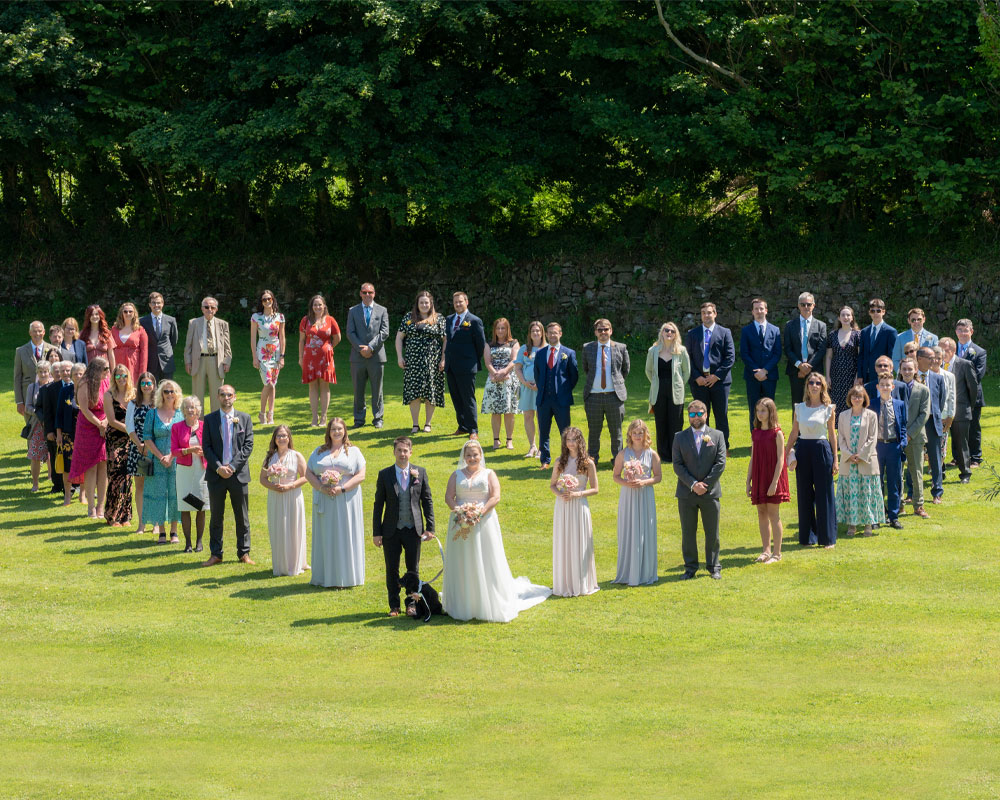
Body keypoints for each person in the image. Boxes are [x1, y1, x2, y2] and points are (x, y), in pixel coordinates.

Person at [442, 439, 551, 622]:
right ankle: (464, 600)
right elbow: (448, 496)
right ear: (464, 457)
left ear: (480, 456)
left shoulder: (489, 474)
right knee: (462, 559)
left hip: (484, 522)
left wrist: (479, 513)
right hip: (459, 523)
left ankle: (488, 599)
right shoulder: (456, 475)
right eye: (468, 455)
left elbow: (495, 496)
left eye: (475, 455)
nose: (471, 458)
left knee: (486, 557)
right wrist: (459, 511)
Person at [372, 436, 436, 615]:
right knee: (391, 568)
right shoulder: (385, 474)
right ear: (394, 452)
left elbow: (427, 501)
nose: (402, 454)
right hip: (391, 530)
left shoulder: (420, 472)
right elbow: (378, 505)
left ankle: (411, 603)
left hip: (413, 529)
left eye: (405, 450)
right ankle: (394, 605)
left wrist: (430, 527)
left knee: (412, 570)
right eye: (399, 450)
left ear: (411, 452)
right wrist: (377, 532)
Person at [306, 417, 366, 587]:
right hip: (325, 498)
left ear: (345, 431)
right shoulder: (319, 451)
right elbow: (308, 472)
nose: (337, 432)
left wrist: (343, 488)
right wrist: (320, 487)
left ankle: (346, 577)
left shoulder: (353, 451)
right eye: (333, 429)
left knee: (345, 533)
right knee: (327, 534)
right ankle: (325, 576)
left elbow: (361, 475)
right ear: (329, 432)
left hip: (346, 500)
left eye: (340, 428)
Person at [673, 399, 728, 579]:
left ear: (706, 414)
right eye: (692, 414)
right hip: (686, 493)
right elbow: (677, 465)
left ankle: (714, 567)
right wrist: (693, 484)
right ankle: (690, 568)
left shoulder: (717, 435)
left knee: (712, 532)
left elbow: (720, 463)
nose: (695, 417)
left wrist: (705, 484)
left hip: (710, 493)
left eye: (699, 413)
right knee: (688, 532)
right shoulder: (679, 437)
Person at [201, 385, 255, 565]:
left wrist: (231, 467)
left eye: (229, 395)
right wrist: (218, 467)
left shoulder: (245, 419)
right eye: (222, 394)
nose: (226, 398)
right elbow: (206, 447)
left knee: (242, 516)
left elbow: (248, 446)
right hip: (216, 475)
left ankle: (244, 553)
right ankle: (216, 554)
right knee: (216, 516)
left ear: (235, 397)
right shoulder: (209, 420)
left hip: (238, 475)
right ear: (217, 397)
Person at [784, 373, 838, 548]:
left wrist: (836, 459)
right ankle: (807, 537)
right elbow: (794, 432)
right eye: (811, 382)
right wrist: (785, 452)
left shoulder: (829, 408)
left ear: (822, 387)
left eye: (818, 383)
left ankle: (827, 538)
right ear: (807, 386)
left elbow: (832, 434)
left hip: (822, 450)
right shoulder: (799, 408)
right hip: (803, 451)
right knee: (804, 494)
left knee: (824, 494)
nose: (814, 386)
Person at [549, 426, 599, 597]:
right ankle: (565, 582)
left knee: (580, 541)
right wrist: (560, 494)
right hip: (563, 507)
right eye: (568, 440)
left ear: (580, 441)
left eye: (574, 440)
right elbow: (552, 485)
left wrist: (577, 493)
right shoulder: (559, 462)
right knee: (564, 541)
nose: (571, 443)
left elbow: (595, 489)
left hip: (579, 506)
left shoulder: (588, 463)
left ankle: (581, 582)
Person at [612, 419, 661, 585]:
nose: (638, 436)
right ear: (630, 435)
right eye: (635, 433)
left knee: (645, 529)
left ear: (645, 434)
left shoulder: (652, 454)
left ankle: (645, 572)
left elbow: (658, 476)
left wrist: (644, 482)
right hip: (629, 496)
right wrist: (627, 483)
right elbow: (615, 475)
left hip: (645, 495)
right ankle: (628, 572)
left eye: (641, 433)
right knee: (629, 528)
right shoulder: (623, 454)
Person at [395, 290, 446, 433]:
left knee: (431, 392)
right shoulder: (408, 317)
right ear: (417, 304)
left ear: (431, 304)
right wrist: (400, 356)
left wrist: (443, 358)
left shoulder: (439, 318)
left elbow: (445, 340)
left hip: (433, 362)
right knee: (414, 393)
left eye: (426, 302)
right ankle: (415, 424)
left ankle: (428, 423)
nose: (424, 305)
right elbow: (399, 338)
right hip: (413, 361)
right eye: (421, 302)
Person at [836, 386, 884, 537]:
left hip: (866, 460)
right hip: (848, 461)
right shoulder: (843, 415)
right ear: (850, 398)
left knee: (867, 493)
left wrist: (861, 455)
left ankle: (868, 523)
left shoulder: (871, 415)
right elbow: (841, 438)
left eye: (860, 396)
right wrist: (849, 455)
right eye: (854, 396)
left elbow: (872, 437)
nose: (857, 399)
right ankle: (852, 524)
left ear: (865, 399)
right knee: (851, 493)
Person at [746, 397, 790, 563]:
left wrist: (774, 483)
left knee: (773, 514)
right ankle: (765, 550)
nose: (760, 414)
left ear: (771, 412)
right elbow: (753, 457)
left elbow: (781, 460)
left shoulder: (777, 433)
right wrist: (748, 480)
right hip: (759, 476)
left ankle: (777, 554)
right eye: (758, 410)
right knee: (761, 512)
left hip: (773, 478)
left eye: (763, 410)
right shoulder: (755, 432)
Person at [685, 302, 735, 450]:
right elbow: (687, 359)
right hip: (699, 382)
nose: (707, 315)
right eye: (704, 313)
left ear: (715, 314)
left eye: (709, 312)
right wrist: (696, 377)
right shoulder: (692, 334)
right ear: (701, 316)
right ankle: (704, 446)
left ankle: (722, 447)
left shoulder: (725, 332)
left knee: (721, 416)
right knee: (700, 416)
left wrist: (716, 376)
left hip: (720, 382)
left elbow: (730, 357)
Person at [260, 425, 308, 576]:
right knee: (278, 528)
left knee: (294, 528)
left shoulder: (296, 456)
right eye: (279, 436)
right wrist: (273, 487)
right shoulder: (269, 457)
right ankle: (281, 564)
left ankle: (296, 563)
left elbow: (306, 476)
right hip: (276, 497)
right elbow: (262, 479)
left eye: (284, 436)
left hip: (293, 496)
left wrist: (291, 486)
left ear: (289, 438)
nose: (281, 438)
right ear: (274, 439)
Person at [582, 318, 629, 466]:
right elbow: (586, 368)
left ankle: (617, 459)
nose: (603, 332)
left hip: (614, 396)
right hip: (593, 396)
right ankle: (593, 459)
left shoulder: (621, 347)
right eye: (600, 330)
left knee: (616, 432)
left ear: (611, 331)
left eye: (606, 329)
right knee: (594, 431)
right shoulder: (587, 348)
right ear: (595, 332)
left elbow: (625, 370)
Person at [533, 322, 579, 469]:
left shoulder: (569, 353)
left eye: (555, 332)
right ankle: (545, 460)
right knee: (543, 430)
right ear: (546, 334)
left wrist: (564, 390)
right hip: (544, 399)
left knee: (565, 432)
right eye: (550, 332)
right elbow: (537, 374)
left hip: (562, 400)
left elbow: (574, 376)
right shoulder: (540, 353)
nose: (552, 335)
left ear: (560, 334)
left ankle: (567, 460)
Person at [69, 358, 111, 519]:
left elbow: (110, 404)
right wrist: (99, 425)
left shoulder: (106, 382)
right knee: (91, 466)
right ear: (96, 369)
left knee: (103, 466)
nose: (108, 372)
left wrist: (106, 422)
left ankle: (101, 507)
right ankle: (91, 508)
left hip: (104, 424)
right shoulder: (84, 383)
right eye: (105, 369)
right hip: (88, 427)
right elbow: (85, 409)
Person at [143, 379, 182, 544]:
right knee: (158, 495)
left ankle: (174, 531)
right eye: (166, 391)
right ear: (161, 394)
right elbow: (147, 438)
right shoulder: (152, 413)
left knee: (174, 495)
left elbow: (183, 438)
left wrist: (171, 456)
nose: (169, 394)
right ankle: (161, 531)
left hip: (176, 461)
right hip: (157, 461)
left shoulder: (181, 413)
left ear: (177, 394)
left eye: (172, 391)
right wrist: (161, 456)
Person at [444, 291, 487, 438]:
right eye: (455, 302)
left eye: (460, 301)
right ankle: (462, 426)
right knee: (456, 397)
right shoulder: (449, 319)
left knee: (468, 398)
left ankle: (473, 429)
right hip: (451, 366)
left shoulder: (475, 321)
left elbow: (480, 345)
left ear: (466, 302)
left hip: (467, 366)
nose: (458, 304)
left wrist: (472, 360)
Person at [645, 322, 690, 464]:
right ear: (662, 333)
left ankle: (675, 453)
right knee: (661, 422)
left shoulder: (681, 350)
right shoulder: (653, 350)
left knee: (676, 422)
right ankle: (663, 454)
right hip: (658, 391)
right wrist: (655, 383)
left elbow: (686, 371)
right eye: (666, 330)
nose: (669, 333)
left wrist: (679, 385)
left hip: (675, 390)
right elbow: (649, 370)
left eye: (672, 331)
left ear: (676, 334)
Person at [347, 282, 389, 430]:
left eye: (370, 292)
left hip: (376, 356)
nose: (367, 295)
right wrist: (361, 349)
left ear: (374, 293)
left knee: (377, 390)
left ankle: (378, 418)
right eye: (364, 292)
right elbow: (350, 332)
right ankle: (359, 419)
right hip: (358, 357)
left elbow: (384, 332)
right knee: (358, 390)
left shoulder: (382, 310)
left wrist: (370, 347)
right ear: (360, 293)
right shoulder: (353, 311)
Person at [171, 395, 209, 553]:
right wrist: (189, 450)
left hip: (201, 470)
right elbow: (174, 451)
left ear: (198, 410)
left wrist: (203, 452)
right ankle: (187, 543)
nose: (190, 410)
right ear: (183, 411)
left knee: (200, 506)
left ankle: (199, 542)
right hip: (184, 471)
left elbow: (212, 447)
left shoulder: (204, 426)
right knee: (185, 506)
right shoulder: (177, 427)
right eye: (187, 407)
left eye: (193, 407)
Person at [870, 374, 907, 530]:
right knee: (877, 483)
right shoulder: (872, 404)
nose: (885, 387)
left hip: (893, 446)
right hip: (877, 447)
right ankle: (877, 516)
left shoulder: (899, 404)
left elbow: (903, 425)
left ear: (893, 387)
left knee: (893, 483)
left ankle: (893, 516)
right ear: (878, 387)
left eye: (888, 385)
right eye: (882, 385)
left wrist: (902, 443)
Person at [183, 296, 232, 415]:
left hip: (216, 361)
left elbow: (227, 346)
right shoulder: (194, 323)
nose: (209, 309)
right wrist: (188, 361)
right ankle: (198, 424)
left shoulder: (223, 324)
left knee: (217, 394)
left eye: (212, 307)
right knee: (197, 394)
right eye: (206, 307)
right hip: (198, 361)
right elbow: (188, 345)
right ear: (202, 309)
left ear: (216, 309)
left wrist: (227, 361)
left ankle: (215, 422)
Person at [298, 294, 340, 428]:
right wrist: (300, 357)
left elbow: (337, 337)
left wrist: (329, 347)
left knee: (324, 386)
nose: (317, 307)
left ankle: (324, 417)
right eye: (315, 304)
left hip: (325, 359)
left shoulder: (330, 320)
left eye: (320, 304)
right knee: (312, 386)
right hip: (309, 357)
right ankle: (314, 417)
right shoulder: (305, 320)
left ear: (324, 306)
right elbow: (301, 340)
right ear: (312, 307)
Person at [940, 338, 978, 484]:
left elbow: (972, 390)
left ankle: (965, 473)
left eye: (946, 350)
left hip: (961, 411)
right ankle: (939, 472)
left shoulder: (965, 364)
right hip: (941, 412)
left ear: (954, 350)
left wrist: (969, 407)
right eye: (940, 350)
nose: (943, 353)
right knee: (938, 444)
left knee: (961, 444)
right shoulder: (937, 366)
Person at [739, 298, 782, 430]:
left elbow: (777, 353)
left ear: (766, 310)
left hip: (770, 376)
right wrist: (756, 371)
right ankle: (755, 438)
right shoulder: (746, 331)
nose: (759, 311)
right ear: (752, 311)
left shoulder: (775, 330)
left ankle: (769, 435)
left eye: (761, 308)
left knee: (769, 407)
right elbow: (744, 353)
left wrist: (765, 370)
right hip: (753, 376)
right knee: (754, 408)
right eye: (756, 309)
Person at [898, 358, 931, 520]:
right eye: (904, 369)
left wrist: (909, 434)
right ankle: (899, 504)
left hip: (915, 437)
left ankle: (918, 505)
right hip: (896, 437)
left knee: (916, 471)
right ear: (900, 370)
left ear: (916, 370)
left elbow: (924, 414)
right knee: (898, 472)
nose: (907, 372)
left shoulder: (923, 390)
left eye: (910, 369)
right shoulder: (894, 388)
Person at [481, 318, 521, 450]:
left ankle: (509, 440)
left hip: (509, 379)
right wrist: (495, 373)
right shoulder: (489, 344)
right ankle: (496, 440)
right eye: (498, 328)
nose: (500, 331)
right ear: (494, 330)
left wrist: (504, 372)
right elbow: (488, 362)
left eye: (503, 328)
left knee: (509, 411)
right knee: (495, 411)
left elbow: (514, 360)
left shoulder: (514, 343)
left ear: (507, 329)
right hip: (494, 380)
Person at [102, 364, 134, 527]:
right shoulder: (109, 395)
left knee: (128, 476)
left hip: (131, 440)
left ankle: (125, 516)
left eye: (124, 375)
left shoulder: (133, 394)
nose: (122, 379)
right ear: (114, 378)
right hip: (115, 437)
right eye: (118, 376)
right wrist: (130, 430)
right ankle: (111, 515)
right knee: (115, 474)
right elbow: (112, 421)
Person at [784, 291, 828, 405]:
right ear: (798, 306)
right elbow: (788, 349)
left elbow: (821, 349)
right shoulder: (789, 325)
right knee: (797, 404)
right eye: (803, 304)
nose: (806, 307)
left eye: (809, 304)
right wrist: (799, 365)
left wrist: (808, 367)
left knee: (816, 403)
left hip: (814, 372)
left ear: (813, 305)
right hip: (795, 372)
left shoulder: (821, 325)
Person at [249, 289, 286, 425]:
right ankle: (262, 413)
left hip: (275, 353)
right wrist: (254, 357)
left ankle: (270, 414)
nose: (267, 301)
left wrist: (282, 356)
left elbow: (282, 337)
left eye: (269, 299)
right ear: (261, 302)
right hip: (263, 353)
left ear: (273, 300)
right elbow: (253, 339)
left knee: (273, 385)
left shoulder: (279, 317)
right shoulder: (256, 317)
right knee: (268, 383)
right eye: (264, 299)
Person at [126, 372, 156, 532]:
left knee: (155, 486)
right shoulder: (133, 404)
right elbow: (129, 426)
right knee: (141, 486)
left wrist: (150, 446)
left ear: (153, 385)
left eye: (148, 383)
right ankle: (142, 523)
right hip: (138, 449)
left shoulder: (158, 404)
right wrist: (139, 444)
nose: (146, 386)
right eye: (143, 383)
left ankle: (156, 524)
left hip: (156, 450)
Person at [954, 319, 987, 467]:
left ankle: (975, 457)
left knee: (973, 427)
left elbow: (978, 375)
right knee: (955, 427)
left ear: (971, 332)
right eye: (960, 330)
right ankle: (957, 457)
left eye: (965, 330)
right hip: (954, 395)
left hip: (972, 396)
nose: (962, 333)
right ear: (956, 332)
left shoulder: (979, 352)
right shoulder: (950, 350)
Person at [824, 305, 861, 424]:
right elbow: (829, 357)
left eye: (848, 315)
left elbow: (861, 357)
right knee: (835, 408)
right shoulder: (832, 335)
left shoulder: (858, 335)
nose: (845, 317)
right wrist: (828, 376)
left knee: (850, 405)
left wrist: (857, 377)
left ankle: (849, 438)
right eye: (843, 315)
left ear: (852, 318)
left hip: (851, 377)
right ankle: (836, 441)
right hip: (835, 378)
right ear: (839, 318)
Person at [514, 321, 545, 458]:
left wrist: (541, 384)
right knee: (528, 416)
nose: (536, 333)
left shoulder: (547, 348)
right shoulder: (524, 348)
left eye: (538, 331)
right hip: (527, 387)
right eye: (533, 331)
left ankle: (542, 448)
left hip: (542, 389)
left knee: (541, 417)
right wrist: (524, 382)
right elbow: (518, 368)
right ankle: (532, 446)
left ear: (542, 333)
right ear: (530, 334)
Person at [56, 363, 87, 506]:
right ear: (71, 376)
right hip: (68, 435)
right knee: (67, 467)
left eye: (81, 374)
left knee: (85, 465)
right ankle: (67, 496)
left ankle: (83, 495)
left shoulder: (89, 391)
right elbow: (59, 414)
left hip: (86, 435)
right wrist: (59, 434)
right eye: (75, 374)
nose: (78, 376)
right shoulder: (65, 391)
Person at [40, 361, 72, 495]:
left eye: (65, 370)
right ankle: (57, 485)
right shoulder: (50, 389)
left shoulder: (77, 387)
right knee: (55, 457)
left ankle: (74, 485)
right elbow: (47, 412)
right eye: (59, 370)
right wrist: (49, 431)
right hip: (54, 429)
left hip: (73, 429)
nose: (62, 373)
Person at [14, 320, 54, 420]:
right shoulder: (20, 351)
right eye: (34, 331)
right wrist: (19, 402)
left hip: (49, 395)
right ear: (30, 332)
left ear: (44, 332)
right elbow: (17, 377)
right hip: (28, 397)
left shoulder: (52, 349)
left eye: (40, 331)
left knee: (49, 428)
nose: (37, 334)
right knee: (31, 429)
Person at [24, 360, 52, 492]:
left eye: (45, 371)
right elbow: (27, 407)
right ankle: (35, 484)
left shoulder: (53, 386)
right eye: (40, 372)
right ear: (37, 373)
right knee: (35, 455)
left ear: (49, 372)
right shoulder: (32, 387)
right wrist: (38, 413)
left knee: (52, 454)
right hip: (37, 425)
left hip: (51, 425)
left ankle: (52, 479)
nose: (43, 374)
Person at [138, 292, 178, 382]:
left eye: (158, 303)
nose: (156, 305)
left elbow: (173, 341)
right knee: (152, 392)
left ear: (162, 304)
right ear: (149, 305)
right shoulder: (142, 321)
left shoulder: (171, 320)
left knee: (167, 390)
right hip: (150, 361)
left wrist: (166, 351)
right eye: (153, 303)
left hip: (167, 362)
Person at [857, 298, 897, 385]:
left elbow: (891, 355)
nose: (875, 313)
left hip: (882, 374)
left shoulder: (890, 331)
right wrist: (860, 375)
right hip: (865, 375)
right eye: (872, 311)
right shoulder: (864, 332)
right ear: (869, 313)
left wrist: (889, 373)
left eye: (878, 311)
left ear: (883, 312)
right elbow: (861, 354)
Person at [931, 345, 956, 474]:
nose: (935, 361)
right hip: (927, 418)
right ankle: (932, 470)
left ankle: (938, 475)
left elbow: (952, 397)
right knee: (926, 450)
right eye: (933, 358)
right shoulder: (923, 375)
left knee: (941, 448)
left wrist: (950, 417)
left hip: (943, 417)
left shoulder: (949, 376)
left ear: (943, 359)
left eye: (939, 358)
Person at [110, 301, 148, 384]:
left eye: (130, 311)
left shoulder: (140, 330)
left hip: (133, 365)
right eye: (125, 311)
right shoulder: (114, 329)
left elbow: (144, 353)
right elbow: (110, 349)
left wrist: (142, 372)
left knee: (132, 389)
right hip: (118, 363)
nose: (128, 313)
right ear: (121, 313)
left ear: (134, 313)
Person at [81, 305, 116, 372]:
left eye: (97, 314)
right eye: (92, 314)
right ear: (88, 317)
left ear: (100, 316)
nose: (94, 317)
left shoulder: (107, 334)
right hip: (88, 373)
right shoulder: (82, 334)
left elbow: (111, 355)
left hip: (105, 372)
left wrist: (113, 373)